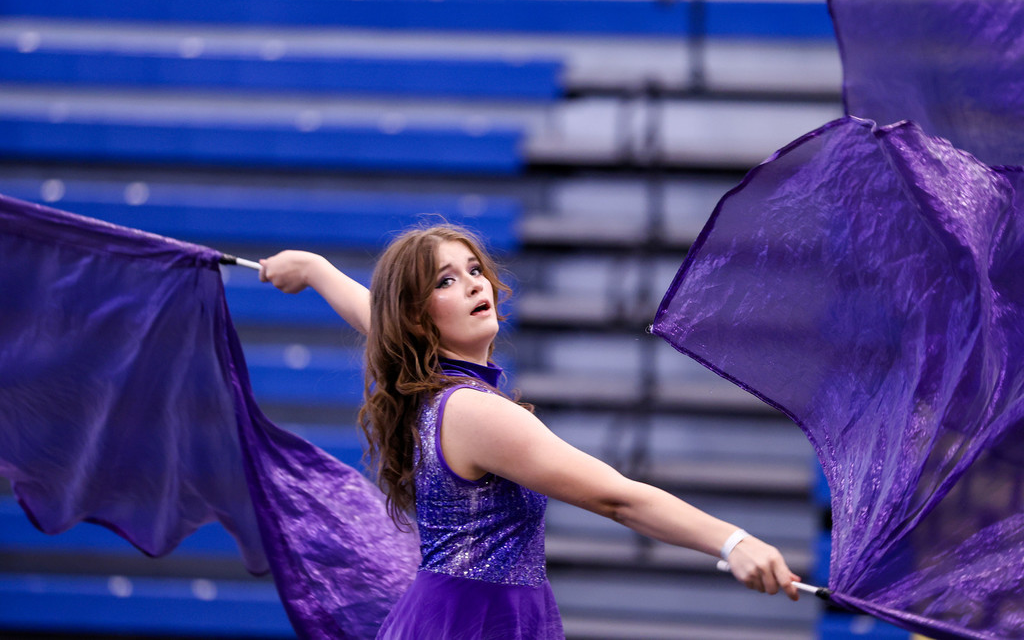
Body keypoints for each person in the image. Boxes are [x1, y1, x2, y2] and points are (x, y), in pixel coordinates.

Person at [259, 223, 800, 639]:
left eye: (474, 269)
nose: (474, 284)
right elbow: (618, 499)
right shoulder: (475, 411)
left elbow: (375, 319)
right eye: (447, 281)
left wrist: (313, 269)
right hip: (475, 622)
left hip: (466, 614)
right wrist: (734, 541)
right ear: (420, 320)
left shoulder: (430, 384)